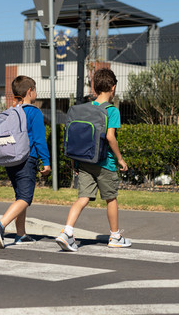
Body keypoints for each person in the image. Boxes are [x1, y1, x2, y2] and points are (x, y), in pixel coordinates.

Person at [55, 68, 130, 252]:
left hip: (85, 161)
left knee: (82, 198)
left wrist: (75, 162)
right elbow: (111, 137)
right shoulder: (112, 111)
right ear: (113, 88)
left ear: (95, 88)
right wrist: (120, 159)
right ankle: (115, 236)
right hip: (106, 162)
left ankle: (67, 232)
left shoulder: (83, 110)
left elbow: (76, 139)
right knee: (111, 199)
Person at [0, 75, 51, 249]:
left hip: (11, 159)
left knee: (19, 197)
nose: (36, 93)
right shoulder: (34, 112)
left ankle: (21, 234)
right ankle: (1, 224)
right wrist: (45, 162)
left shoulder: (12, 111)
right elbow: (40, 139)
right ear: (29, 91)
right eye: (35, 89)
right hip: (27, 159)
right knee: (25, 198)